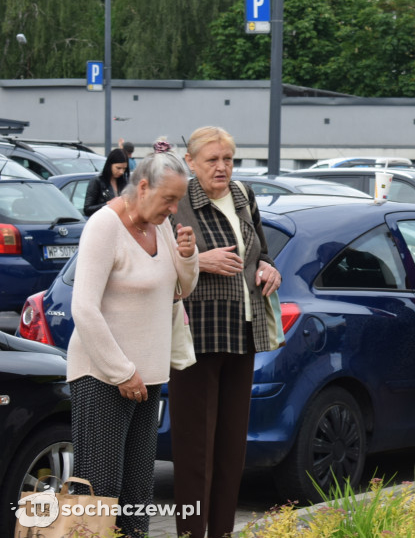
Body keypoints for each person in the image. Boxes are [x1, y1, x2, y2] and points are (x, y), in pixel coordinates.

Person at [67, 153, 198, 538]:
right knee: (99, 492)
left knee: (137, 495)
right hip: (103, 375)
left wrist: (188, 258)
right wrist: (122, 372)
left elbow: (179, 291)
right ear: (143, 187)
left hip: (148, 377)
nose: (174, 209)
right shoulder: (104, 225)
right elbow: (84, 308)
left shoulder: (162, 226)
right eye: (169, 199)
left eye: (178, 201)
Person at [168, 127, 283, 538]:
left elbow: (261, 253)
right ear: (191, 162)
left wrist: (269, 269)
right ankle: (190, 534)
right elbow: (156, 262)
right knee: (195, 452)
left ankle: (221, 532)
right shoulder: (176, 202)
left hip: (244, 331)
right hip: (196, 334)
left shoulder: (242, 195)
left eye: (228, 160)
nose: (221, 167)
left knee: (232, 450)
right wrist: (200, 260)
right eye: (212, 160)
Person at [83, 148, 129, 216]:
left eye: (124, 168)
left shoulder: (125, 181)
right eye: (118, 168)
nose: (121, 172)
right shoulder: (97, 181)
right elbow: (87, 209)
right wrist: (107, 204)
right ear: (110, 165)